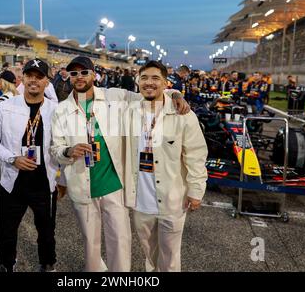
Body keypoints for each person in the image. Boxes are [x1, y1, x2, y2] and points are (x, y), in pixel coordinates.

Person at [50, 56, 188, 272]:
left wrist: (175, 93)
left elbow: (149, 93)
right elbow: (54, 148)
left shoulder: (114, 96)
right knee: (90, 244)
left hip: (114, 185)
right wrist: (67, 151)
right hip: (82, 186)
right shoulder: (61, 110)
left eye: (84, 72)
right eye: (74, 73)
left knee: (120, 242)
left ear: (93, 74)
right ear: (69, 76)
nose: (79, 77)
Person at [123, 61, 208, 272]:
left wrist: (196, 190)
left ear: (165, 83)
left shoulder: (183, 114)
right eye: (144, 78)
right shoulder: (129, 111)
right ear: (137, 82)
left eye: (155, 78)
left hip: (172, 200)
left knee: (170, 256)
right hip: (141, 200)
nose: (149, 83)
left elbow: (196, 154)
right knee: (149, 253)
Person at [0, 59, 62, 272]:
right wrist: (11, 158)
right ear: (23, 78)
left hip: (43, 182)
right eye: (30, 76)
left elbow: (61, 145)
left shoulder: (57, 110)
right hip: (13, 180)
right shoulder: (5, 107)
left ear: (47, 81)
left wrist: (62, 178)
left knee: (46, 231)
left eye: (39, 77)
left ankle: (47, 264)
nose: (34, 81)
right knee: (6, 230)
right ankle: (7, 264)